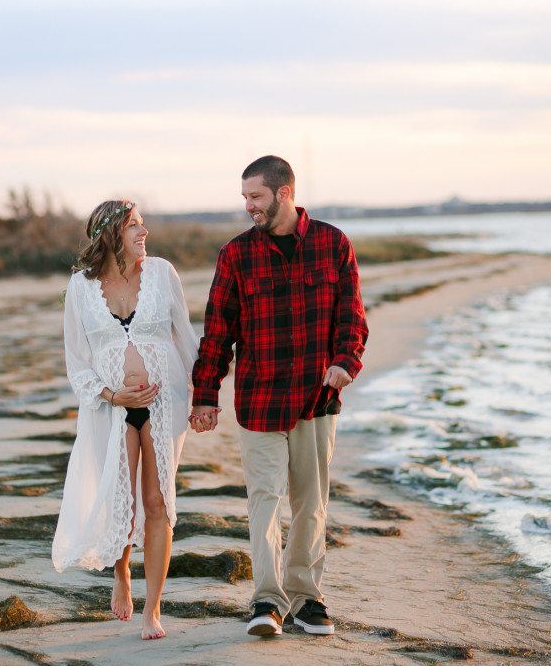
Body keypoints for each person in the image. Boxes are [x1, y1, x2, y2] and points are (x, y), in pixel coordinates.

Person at [190, 155, 369, 637]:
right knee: (265, 501)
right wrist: (205, 395)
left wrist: (345, 361)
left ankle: (308, 600)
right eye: (245, 197)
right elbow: (217, 331)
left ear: (283, 193)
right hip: (260, 401)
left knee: (310, 504)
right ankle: (267, 600)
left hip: (317, 399)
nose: (248, 206)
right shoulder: (236, 255)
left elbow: (351, 316)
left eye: (256, 197)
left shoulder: (333, 244)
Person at [52, 200, 199, 641]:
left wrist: (204, 396)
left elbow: (186, 337)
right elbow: (76, 359)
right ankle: (122, 575)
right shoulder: (80, 287)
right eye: (134, 225)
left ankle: (153, 611)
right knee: (122, 500)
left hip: (164, 403)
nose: (144, 231)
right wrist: (112, 394)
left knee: (157, 504)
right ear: (112, 232)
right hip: (108, 407)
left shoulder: (162, 273)